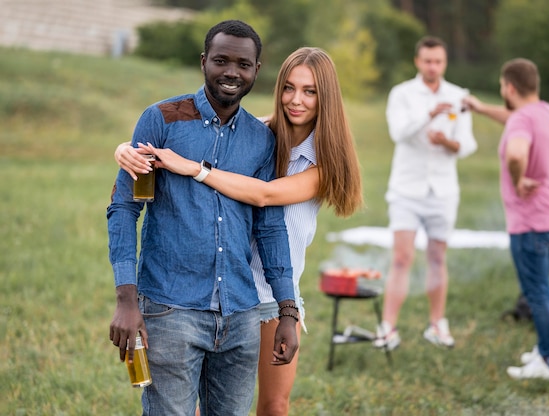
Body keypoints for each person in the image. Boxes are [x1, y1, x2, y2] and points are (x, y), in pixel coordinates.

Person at [114, 47, 362, 415]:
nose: (296, 100)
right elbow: (203, 135)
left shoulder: (324, 165)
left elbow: (264, 196)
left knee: (273, 405)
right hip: (229, 286)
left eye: (310, 91)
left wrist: (193, 168)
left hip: (277, 293)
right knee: (205, 403)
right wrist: (126, 150)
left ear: (326, 97)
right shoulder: (259, 134)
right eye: (289, 88)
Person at [107, 20, 299, 416]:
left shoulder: (261, 139)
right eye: (221, 60)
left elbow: (270, 226)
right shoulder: (162, 119)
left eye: (243, 64)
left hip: (241, 316)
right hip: (171, 308)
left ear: (256, 70)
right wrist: (126, 299)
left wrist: (288, 310)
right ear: (203, 62)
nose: (231, 72)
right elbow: (125, 208)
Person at [463, 58, 549, 380]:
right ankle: (543, 349)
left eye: (501, 86)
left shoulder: (522, 121)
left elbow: (516, 153)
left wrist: (519, 178)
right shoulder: (546, 112)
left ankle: (548, 361)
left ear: (509, 87)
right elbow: (514, 119)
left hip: (531, 222)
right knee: (543, 288)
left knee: (537, 292)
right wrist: (480, 109)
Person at [373, 36, 477, 351]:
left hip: (443, 190)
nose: (433, 66)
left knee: (436, 257)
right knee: (402, 257)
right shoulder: (402, 94)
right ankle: (388, 327)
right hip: (406, 188)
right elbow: (398, 132)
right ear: (418, 62)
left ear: (444, 63)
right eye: (428, 61)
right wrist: (430, 115)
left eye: (439, 61)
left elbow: (467, 144)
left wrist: (447, 142)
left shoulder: (459, 96)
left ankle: (437, 324)